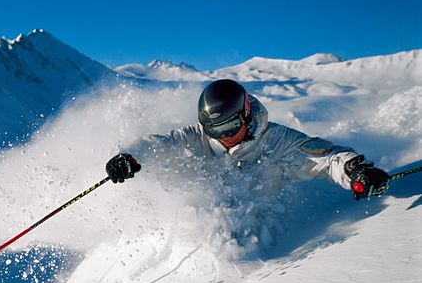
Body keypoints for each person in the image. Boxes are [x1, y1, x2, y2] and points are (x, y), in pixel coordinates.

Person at [105, 79, 389, 200]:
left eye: (229, 127)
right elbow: (160, 144)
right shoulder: (198, 137)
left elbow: (327, 159)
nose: (223, 137)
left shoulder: (276, 140)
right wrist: (129, 156)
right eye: (214, 129)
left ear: (246, 115)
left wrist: (355, 170)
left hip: (269, 243)